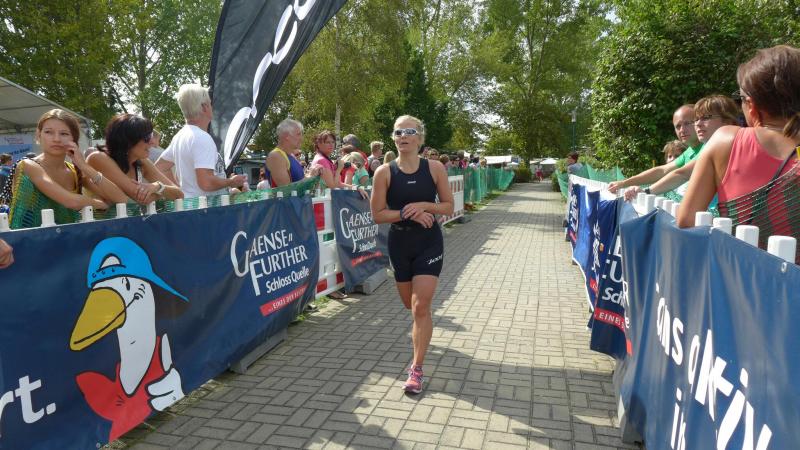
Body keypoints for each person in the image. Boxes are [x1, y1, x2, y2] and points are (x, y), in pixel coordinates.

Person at [370, 115, 454, 394]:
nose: (403, 136)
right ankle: (422, 337)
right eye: (398, 132)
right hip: (400, 244)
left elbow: (448, 206)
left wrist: (423, 206)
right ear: (393, 138)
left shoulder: (435, 168)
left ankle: (416, 369)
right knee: (410, 304)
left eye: (409, 131)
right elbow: (377, 215)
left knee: (420, 307)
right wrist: (409, 213)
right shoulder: (384, 172)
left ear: (420, 137)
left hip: (429, 243)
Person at [678, 45, 800, 231]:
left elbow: (686, 220)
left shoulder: (726, 139)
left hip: (738, 250)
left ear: (751, 105)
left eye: (740, 98)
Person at [2, 110, 113, 229]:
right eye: (48, 132)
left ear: (74, 139)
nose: (56, 139)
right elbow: (71, 202)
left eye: (64, 133)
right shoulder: (28, 165)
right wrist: (99, 204)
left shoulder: (74, 171)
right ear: (39, 136)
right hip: (27, 238)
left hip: (68, 238)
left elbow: (117, 197)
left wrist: (84, 166)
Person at [625, 95, 740, 200]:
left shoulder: (726, 145)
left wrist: (645, 191)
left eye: (706, 117)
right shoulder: (709, 146)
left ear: (727, 121)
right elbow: (665, 170)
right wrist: (626, 184)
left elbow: (682, 174)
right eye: (696, 119)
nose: (698, 124)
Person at [155, 84, 246, 198]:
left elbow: (159, 167)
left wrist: (179, 191)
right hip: (204, 207)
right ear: (204, 107)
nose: (212, 107)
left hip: (190, 205)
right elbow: (206, 183)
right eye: (210, 104)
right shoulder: (202, 138)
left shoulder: (179, 136)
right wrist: (231, 182)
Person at [87, 114, 183, 204]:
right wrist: (163, 193)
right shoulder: (98, 158)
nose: (152, 142)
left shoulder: (141, 162)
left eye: (151, 136)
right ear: (128, 141)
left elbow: (180, 194)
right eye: (147, 137)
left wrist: (158, 186)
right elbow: (141, 198)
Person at [608, 104, 701, 193]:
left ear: (699, 122)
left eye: (687, 123)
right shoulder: (689, 152)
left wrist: (646, 191)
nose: (682, 130)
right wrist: (623, 183)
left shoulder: (707, 147)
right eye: (678, 126)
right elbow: (662, 171)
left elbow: (681, 174)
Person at [264, 119, 307, 187]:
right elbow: (286, 189)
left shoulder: (291, 156)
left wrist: (313, 175)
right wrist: (311, 177)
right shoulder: (276, 156)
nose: (301, 138)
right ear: (287, 136)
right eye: (298, 134)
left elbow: (300, 180)